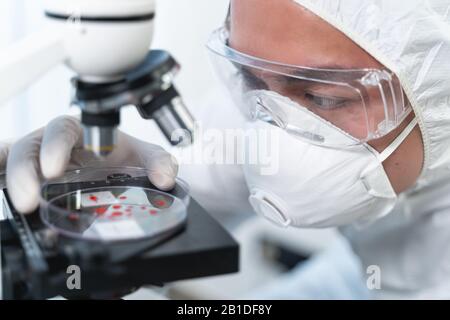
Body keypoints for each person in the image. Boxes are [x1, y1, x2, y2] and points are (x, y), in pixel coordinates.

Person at [2, 0, 450, 299]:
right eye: (252, 80)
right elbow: (185, 199)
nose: (275, 131)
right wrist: (112, 187)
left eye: (325, 98)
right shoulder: (270, 101)